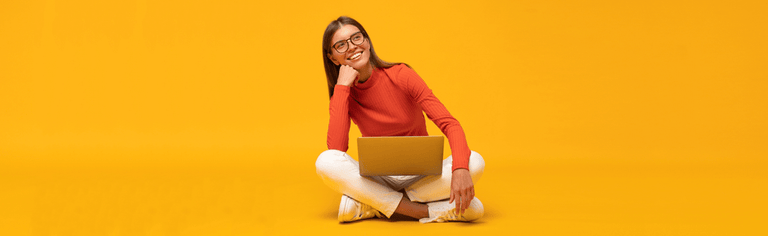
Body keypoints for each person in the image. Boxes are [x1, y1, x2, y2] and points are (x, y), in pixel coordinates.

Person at [315, 16, 486, 223]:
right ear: (333, 58)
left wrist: (460, 169)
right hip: (380, 179)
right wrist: (341, 89)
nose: (352, 47)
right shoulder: (343, 94)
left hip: (422, 177)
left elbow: (450, 123)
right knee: (325, 161)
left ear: (367, 42)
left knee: (475, 161)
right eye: (341, 45)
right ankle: (418, 211)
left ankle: (372, 205)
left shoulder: (401, 74)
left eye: (356, 38)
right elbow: (336, 150)